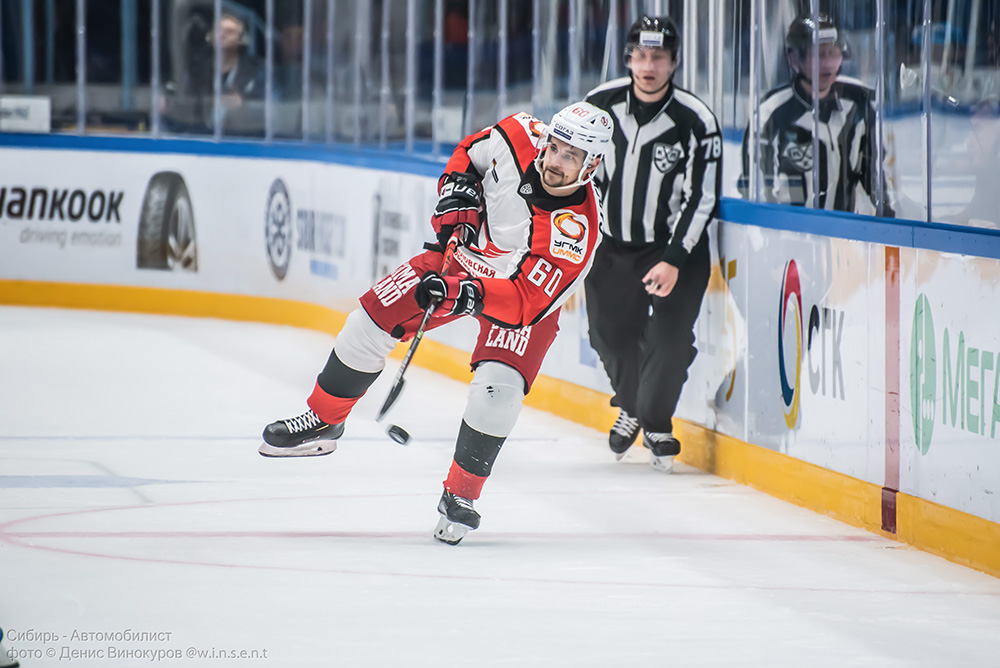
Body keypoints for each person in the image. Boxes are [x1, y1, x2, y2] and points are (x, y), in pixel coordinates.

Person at [258, 101, 613, 545]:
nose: (553, 161)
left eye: (569, 156)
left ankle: (461, 496)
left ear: (591, 164)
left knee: (497, 392)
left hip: (514, 299)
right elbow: (470, 152)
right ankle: (323, 420)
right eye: (554, 147)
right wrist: (457, 195)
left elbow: (525, 302)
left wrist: (468, 294)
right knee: (364, 325)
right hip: (458, 262)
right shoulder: (520, 133)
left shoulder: (576, 230)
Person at [583, 15, 721, 473]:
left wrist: (674, 258)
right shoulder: (597, 106)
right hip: (612, 246)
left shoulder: (696, 120)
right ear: (627, 59)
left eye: (658, 56)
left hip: (674, 248)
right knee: (608, 334)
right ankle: (634, 404)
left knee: (669, 339)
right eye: (640, 55)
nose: (648, 65)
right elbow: (581, 178)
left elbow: (702, 195)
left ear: (674, 61)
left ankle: (654, 421)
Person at [738, 12, 895, 216]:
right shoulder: (771, 113)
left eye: (834, 53)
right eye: (819, 54)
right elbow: (755, 191)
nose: (828, 63)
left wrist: (888, 223)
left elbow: (876, 177)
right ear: (793, 58)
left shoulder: (858, 105)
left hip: (844, 238)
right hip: (787, 240)